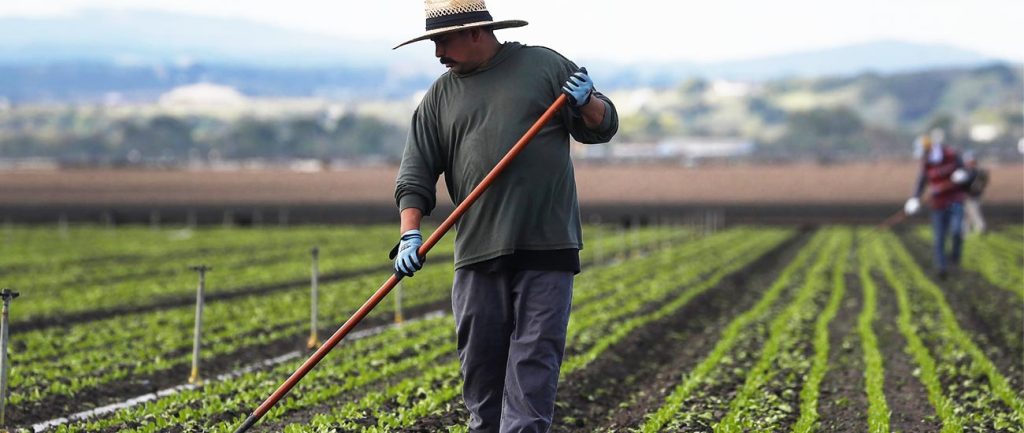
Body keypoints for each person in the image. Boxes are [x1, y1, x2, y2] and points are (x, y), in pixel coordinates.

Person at [389, 1, 619, 432]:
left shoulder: (544, 66)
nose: (437, 52)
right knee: (481, 375)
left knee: (533, 370)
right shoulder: (440, 96)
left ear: (475, 32)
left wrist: (589, 102)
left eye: (443, 40)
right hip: (477, 251)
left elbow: (601, 125)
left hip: (547, 247)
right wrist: (409, 234)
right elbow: (415, 173)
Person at [904, 129, 970, 279]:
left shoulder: (951, 155)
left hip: (955, 201)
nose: (923, 157)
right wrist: (914, 199)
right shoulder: (926, 164)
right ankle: (942, 267)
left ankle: (955, 259)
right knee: (939, 238)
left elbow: (967, 171)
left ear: (930, 149)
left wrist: (963, 175)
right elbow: (921, 183)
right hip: (938, 204)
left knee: (956, 231)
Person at [960, 151, 988, 234]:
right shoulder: (975, 171)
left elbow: (977, 185)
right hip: (971, 196)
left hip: (972, 197)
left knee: (974, 213)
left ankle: (981, 228)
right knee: (967, 215)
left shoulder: (975, 172)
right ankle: (966, 231)